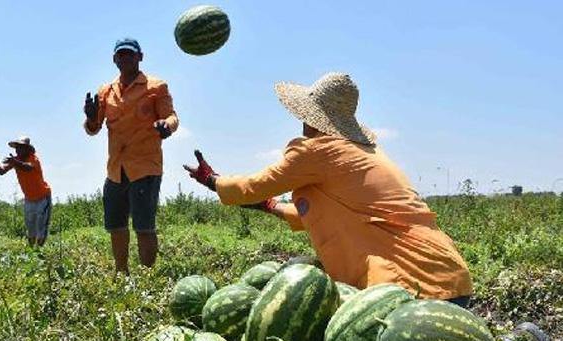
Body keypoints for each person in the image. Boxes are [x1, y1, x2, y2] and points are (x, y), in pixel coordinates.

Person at [184, 73, 472, 305]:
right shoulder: (362, 152)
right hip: (450, 280)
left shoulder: (319, 151)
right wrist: (269, 206)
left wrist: (213, 180)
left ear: (311, 116)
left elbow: (253, 186)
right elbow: (320, 212)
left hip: (410, 289)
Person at [83, 37, 179, 273]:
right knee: (116, 225)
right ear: (114, 59)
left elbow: (172, 117)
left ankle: (147, 276)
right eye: (121, 54)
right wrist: (90, 117)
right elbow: (93, 129)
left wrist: (166, 126)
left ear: (140, 57)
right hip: (116, 169)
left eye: (130, 54)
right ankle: (121, 272)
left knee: (144, 226)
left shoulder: (156, 87)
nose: (125, 58)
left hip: (145, 166)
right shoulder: (106, 91)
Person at [0, 136, 52, 247]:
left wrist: (14, 162)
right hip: (29, 199)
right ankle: (31, 254)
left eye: (21, 148)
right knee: (31, 230)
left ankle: (39, 254)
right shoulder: (16, 160)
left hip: (43, 197)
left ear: (27, 149)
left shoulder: (33, 159)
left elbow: (28, 168)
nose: (17, 150)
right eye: (16, 148)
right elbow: (2, 171)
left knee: (41, 229)